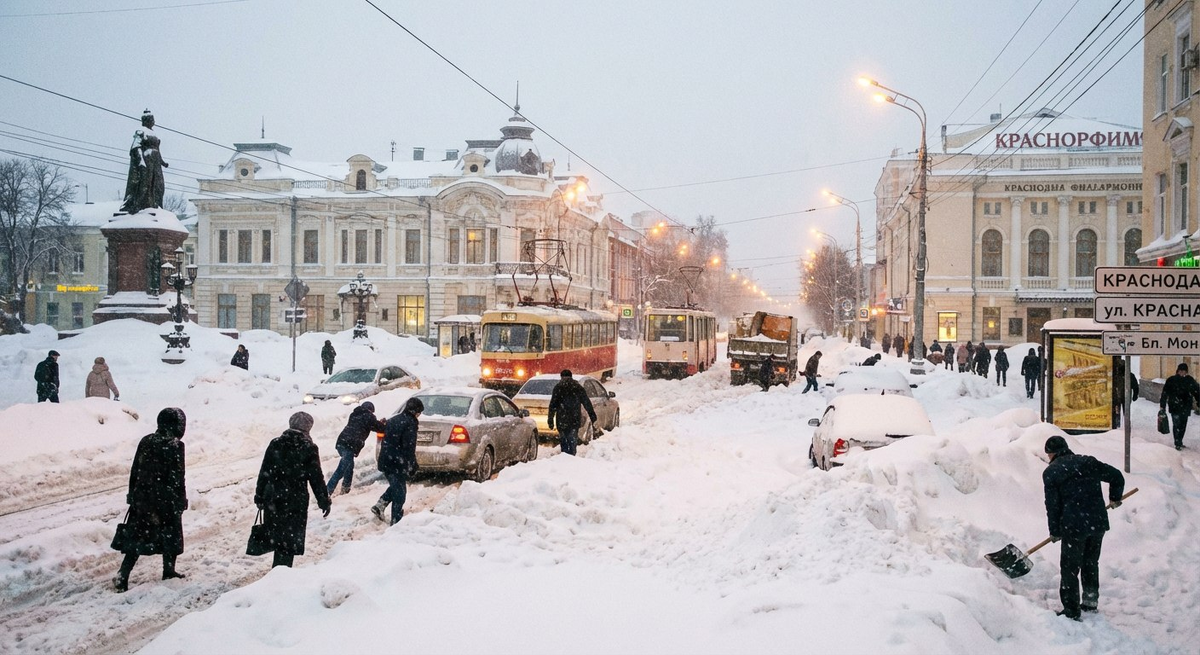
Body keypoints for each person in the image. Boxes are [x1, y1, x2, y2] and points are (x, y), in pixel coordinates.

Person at [1042, 435, 1125, 620]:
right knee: (1090, 562)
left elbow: (1052, 505)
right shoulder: (1088, 462)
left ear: (1051, 454)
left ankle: (1071, 610)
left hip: (1073, 526)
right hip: (1096, 523)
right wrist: (1115, 497)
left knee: (1070, 568)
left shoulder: (1052, 472)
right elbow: (1116, 476)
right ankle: (1090, 601)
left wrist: (1054, 531)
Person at [112, 408, 188, 592]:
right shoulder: (175, 445)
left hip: (144, 498)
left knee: (138, 537)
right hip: (166, 499)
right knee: (170, 534)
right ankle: (168, 570)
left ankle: (123, 574)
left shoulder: (146, 441)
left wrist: (132, 494)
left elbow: (135, 470)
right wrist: (180, 499)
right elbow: (178, 476)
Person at [255, 412, 331, 567]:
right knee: (287, 543)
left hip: (273, 499)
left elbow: (265, 470)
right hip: (294, 501)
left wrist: (259, 495)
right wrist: (324, 501)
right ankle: (280, 577)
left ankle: (279, 573)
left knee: (277, 540)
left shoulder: (275, 443)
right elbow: (316, 478)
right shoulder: (308, 447)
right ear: (308, 428)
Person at [373, 397, 423, 524]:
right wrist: (412, 465)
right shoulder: (410, 423)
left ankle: (380, 505)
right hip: (397, 462)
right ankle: (396, 522)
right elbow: (409, 447)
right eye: (419, 412)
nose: (419, 415)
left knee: (396, 487)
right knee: (400, 493)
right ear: (415, 411)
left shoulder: (394, 419)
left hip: (386, 460)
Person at [326, 401, 385, 496]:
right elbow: (378, 427)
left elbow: (367, 424)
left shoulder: (354, 414)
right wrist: (382, 424)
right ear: (371, 410)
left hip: (341, 442)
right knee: (341, 469)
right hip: (350, 445)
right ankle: (328, 491)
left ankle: (346, 488)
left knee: (349, 466)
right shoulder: (368, 416)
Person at [547, 369, 597, 456]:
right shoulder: (578, 387)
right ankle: (572, 456)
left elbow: (552, 405)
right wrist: (592, 415)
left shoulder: (558, 387)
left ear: (561, 376)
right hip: (574, 419)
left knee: (564, 440)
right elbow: (586, 402)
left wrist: (550, 419)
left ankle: (565, 456)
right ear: (571, 376)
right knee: (572, 440)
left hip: (561, 419)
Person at [1160, 363, 1200, 450]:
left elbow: (1196, 391)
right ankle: (1177, 442)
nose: (1182, 373)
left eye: (1184, 371)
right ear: (1177, 371)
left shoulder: (1189, 380)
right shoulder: (1171, 380)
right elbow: (1164, 393)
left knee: (1183, 425)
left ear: (1186, 372)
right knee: (1176, 424)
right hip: (1174, 405)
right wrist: (1162, 405)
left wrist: (1198, 401)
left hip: (1185, 406)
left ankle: (1180, 440)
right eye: (1181, 371)